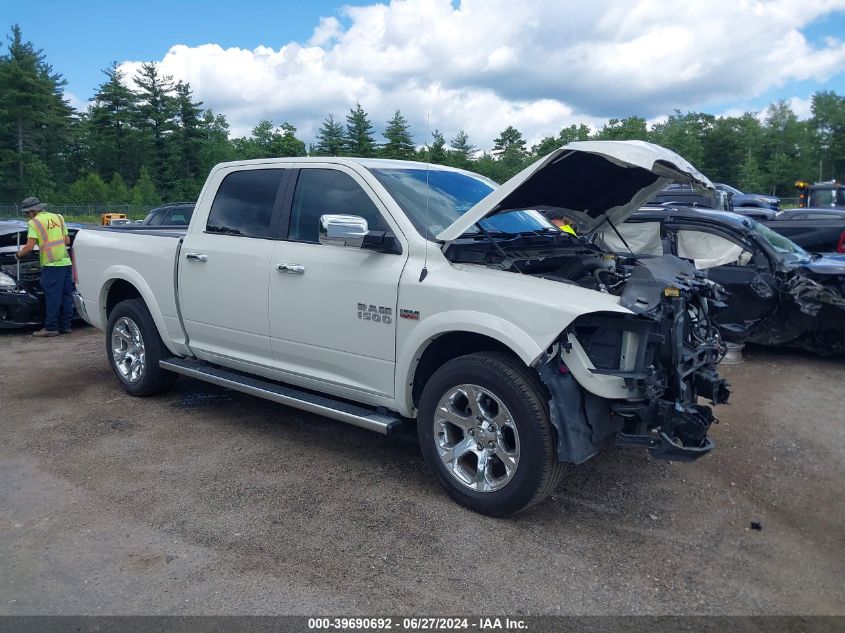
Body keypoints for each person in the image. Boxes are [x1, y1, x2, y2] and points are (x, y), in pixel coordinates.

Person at [15, 197, 74, 337]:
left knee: (53, 296)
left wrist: (18, 255)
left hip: (51, 264)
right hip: (65, 262)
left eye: (27, 213)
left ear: (32, 211)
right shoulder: (59, 217)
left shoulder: (34, 223)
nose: (27, 215)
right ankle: (66, 327)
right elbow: (67, 240)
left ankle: (51, 327)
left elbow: (29, 247)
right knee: (66, 295)